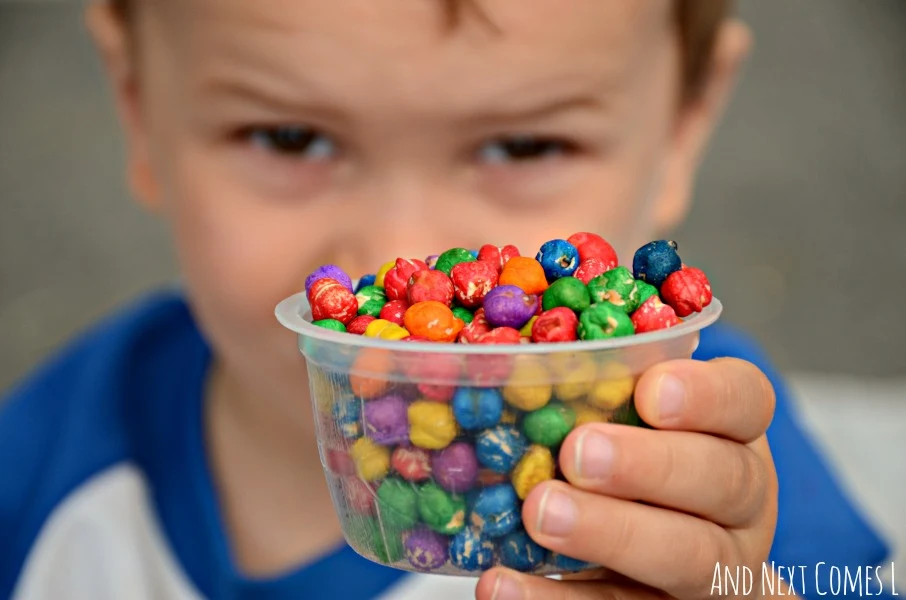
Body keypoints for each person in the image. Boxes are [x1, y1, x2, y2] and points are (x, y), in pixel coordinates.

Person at [0, 1, 891, 599]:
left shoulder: (719, 483)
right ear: (136, 103)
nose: (396, 259)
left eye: (520, 147)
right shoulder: (45, 461)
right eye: (289, 136)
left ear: (684, 125)